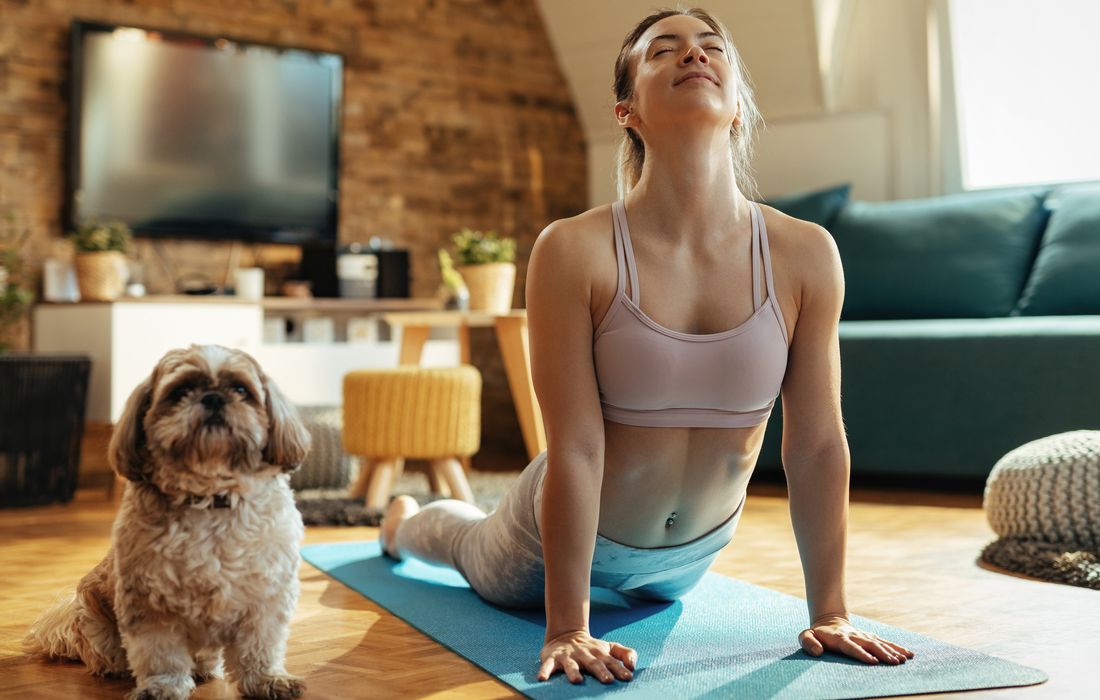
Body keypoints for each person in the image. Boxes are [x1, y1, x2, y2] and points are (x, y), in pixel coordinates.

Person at [378, 7, 915, 685]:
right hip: (558, 538)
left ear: (740, 107)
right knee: (464, 546)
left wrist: (830, 611)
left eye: (710, 47)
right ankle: (402, 523)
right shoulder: (575, 249)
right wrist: (569, 625)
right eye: (664, 51)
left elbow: (816, 441)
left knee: (656, 584)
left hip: (687, 562)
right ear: (626, 109)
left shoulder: (805, 253)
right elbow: (574, 444)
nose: (693, 56)